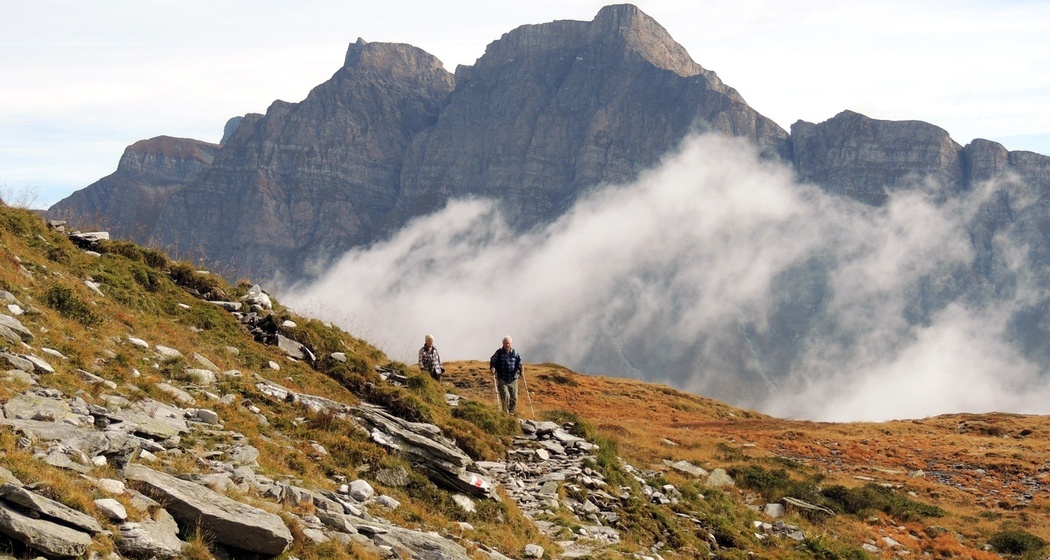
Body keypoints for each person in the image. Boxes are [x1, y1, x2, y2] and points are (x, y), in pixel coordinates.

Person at [490, 335, 523, 415]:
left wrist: (520, 367)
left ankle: (511, 413)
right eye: (505, 343)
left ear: (510, 343)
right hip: (502, 377)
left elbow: (519, 361)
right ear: (503, 344)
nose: (507, 345)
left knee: (514, 398)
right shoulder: (499, 352)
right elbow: (493, 360)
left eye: (508, 343)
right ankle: (505, 413)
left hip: (513, 378)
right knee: (505, 396)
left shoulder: (515, 353)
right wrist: (493, 367)